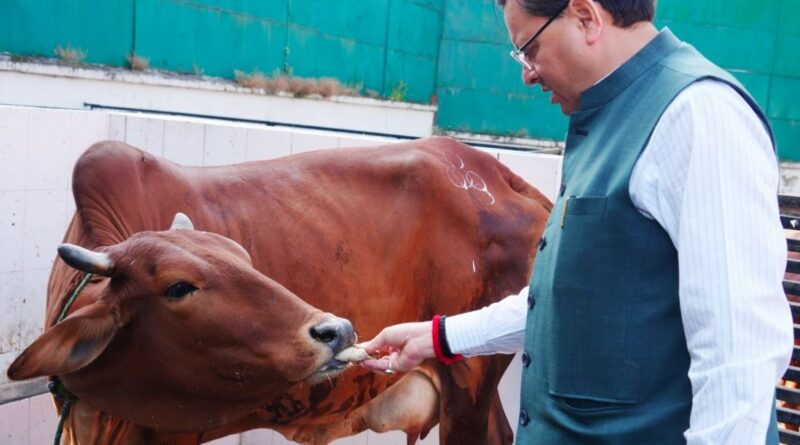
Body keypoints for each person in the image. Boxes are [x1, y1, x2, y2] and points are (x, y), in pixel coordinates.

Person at [358, 0, 795, 443]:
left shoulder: (701, 115)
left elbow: (738, 364)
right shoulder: (606, 115)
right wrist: (440, 337)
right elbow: (571, 303)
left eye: (529, 48)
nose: (527, 73)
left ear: (586, 17)